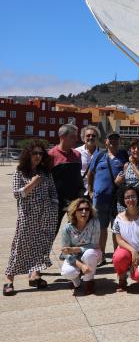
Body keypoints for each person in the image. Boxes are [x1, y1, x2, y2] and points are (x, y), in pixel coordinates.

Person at [4, 141, 58, 295]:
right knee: (20, 247)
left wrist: (53, 207)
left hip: (46, 215)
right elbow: (17, 194)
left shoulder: (46, 173)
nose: (38, 156)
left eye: (41, 153)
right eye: (35, 153)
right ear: (28, 154)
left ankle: (34, 276)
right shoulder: (20, 172)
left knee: (41, 246)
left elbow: (53, 192)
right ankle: (9, 280)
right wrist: (33, 183)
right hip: (27, 216)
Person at [88, 132, 128, 262]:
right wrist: (90, 190)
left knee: (117, 228)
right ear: (106, 141)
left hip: (118, 198)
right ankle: (101, 256)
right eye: (111, 139)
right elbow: (90, 173)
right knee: (100, 228)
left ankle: (117, 256)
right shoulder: (99, 155)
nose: (113, 141)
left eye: (116, 139)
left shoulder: (123, 155)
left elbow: (129, 171)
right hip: (100, 199)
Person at [112, 186, 139, 291]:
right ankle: (122, 279)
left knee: (138, 276)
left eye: (133, 196)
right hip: (127, 250)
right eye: (127, 197)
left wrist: (138, 255)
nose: (130, 200)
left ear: (138, 198)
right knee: (118, 257)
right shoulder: (118, 218)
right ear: (123, 200)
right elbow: (119, 240)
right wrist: (133, 251)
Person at [59, 197, 102, 296]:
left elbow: (95, 245)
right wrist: (81, 265)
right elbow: (65, 253)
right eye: (80, 209)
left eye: (87, 209)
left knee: (89, 254)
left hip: (92, 253)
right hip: (74, 258)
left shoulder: (95, 223)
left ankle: (89, 281)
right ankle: (76, 281)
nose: (84, 212)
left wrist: (76, 249)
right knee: (67, 272)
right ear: (74, 211)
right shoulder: (67, 228)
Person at [49, 123, 85, 235]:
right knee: (51, 232)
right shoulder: (50, 155)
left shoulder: (77, 155)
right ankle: (45, 253)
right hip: (56, 202)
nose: (76, 139)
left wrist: (81, 191)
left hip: (75, 201)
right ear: (62, 137)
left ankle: (71, 253)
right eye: (73, 136)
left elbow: (78, 175)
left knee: (75, 232)